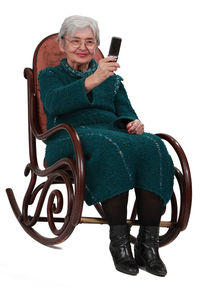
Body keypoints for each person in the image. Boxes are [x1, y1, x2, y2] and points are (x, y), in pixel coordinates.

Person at [38, 15, 174, 277]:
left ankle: (148, 245)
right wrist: (94, 78)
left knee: (154, 145)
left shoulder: (112, 79)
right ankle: (119, 244)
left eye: (90, 41)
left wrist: (133, 124)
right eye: (75, 41)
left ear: (97, 45)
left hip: (110, 134)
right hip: (68, 137)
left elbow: (126, 112)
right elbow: (54, 105)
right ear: (62, 44)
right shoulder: (50, 75)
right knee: (111, 147)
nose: (83, 47)